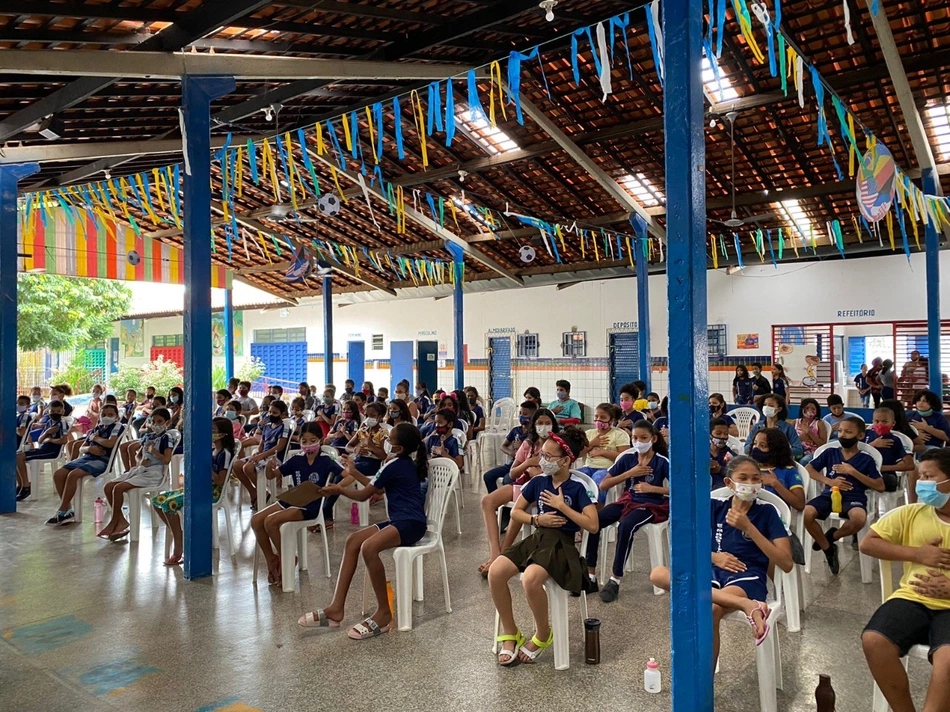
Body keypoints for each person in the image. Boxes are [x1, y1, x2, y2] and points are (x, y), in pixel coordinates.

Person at [650, 456, 793, 664]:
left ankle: (705, 683)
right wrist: (714, 557)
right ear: (729, 483)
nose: (750, 484)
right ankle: (748, 605)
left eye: (755, 479)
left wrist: (749, 529)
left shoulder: (767, 512)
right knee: (658, 574)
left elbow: (786, 563)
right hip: (712, 570)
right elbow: (684, 548)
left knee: (710, 609)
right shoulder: (715, 507)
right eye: (743, 478)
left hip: (747, 575)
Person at [298, 423, 428, 639]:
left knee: (369, 547)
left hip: (411, 524)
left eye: (390, 440)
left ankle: (384, 613)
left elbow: (363, 495)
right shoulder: (402, 463)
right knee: (354, 540)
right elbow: (376, 487)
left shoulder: (395, 465)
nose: (385, 441)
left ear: (398, 448)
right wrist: (355, 472)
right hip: (402, 520)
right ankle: (336, 608)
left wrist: (339, 489)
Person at [488, 426, 598, 665]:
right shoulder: (538, 482)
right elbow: (516, 512)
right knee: (495, 572)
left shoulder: (577, 489)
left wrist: (563, 507)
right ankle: (510, 633)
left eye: (549, 457)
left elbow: (593, 525)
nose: (542, 460)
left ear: (566, 461)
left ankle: (542, 633)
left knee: (530, 578)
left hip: (562, 544)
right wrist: (537, 519)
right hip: (538, 537)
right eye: (542, 455)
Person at [860, 448, 950, 712]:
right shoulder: (913, 513)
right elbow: (869, 544)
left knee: (947, 660)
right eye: (920, 475)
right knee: (874, 641)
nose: (921, 483)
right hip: (912, 598)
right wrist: (918, 554)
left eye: (929, 476)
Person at [250, 423, 344, 585]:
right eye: (304, 441)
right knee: (256, 520)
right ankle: (272, 559)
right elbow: (272, 476)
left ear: (320, 440)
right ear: (300, 442)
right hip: (293, 499)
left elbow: (347, 475)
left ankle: (287, 559)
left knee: (271, 521)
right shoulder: (296, 459)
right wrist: (269, 468)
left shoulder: (325, 460)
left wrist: (335, 487)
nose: (308, 445)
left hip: (310, 505)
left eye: (312, 440)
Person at [586, 421, 669, 602]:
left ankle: (615, 579)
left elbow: (678, 489)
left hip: (650, 505)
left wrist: (653, 489)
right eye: (634, 438)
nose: (638, 442)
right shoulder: (627, 458)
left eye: (643, 438)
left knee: (625, 526)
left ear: (653, 439)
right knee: (594, 521)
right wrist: (629, 473)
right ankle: (590, 575)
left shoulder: (662, 461)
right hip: (627, 501)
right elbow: (604, 484)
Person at [478, 409, 559, 576]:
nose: (543, 427)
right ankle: (495, 554)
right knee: (488, 501)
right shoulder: (529, 444)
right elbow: (512, 473)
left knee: (518, 509)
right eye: (539, 423)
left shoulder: (558, 445)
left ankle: (503, 556)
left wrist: (537, 472)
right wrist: (527, 464)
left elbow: (560, 472)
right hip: (522, 483)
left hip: (544, 489)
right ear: (534, 426)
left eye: (547, 423)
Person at [804, 417, 884, 574]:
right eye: (840, 431)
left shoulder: (866, 459)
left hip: (854, 497)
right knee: (807, 513)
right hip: (830, 494)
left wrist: (853, 472)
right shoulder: (830, 452)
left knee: (859, 518)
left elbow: (880, 486)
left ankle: (832, 536)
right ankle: (828, 549)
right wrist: (829, 481)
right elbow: (809, 469)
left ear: (860, 436)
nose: (843, 435)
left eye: (848, 432)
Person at [153, 417, 235, 566]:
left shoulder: (225, 454)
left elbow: (220, 481)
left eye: (213, 431)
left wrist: (206, 465)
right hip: (199, 487)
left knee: (170, 505)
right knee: (158, 501)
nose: (210, 433)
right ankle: (179, 533)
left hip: (212, 492)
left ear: (223, 434)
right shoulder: (211, 450)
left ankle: (179, 547)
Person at [96, 408, 174, 539]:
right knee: (109, 487)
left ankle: (114, 521)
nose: (155, 425)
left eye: (159, 422)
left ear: (167, 422)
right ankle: (120, 520)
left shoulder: (167, 438)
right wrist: (140, 461)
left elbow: (167, 459)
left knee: (118, 488)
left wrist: (154, 452)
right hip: (141, 470)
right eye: (153, 421)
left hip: (155, 474)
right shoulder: (148, 437)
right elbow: (138, 455)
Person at [47, 404, 124, 512]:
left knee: (73, 475)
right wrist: (90, 449)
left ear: (117, 417)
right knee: (59, 474)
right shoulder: (97, 429)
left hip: (103, 461)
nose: (106, 417)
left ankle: (63, 509)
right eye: (103, 414)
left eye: (110, 415)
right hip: (87, 457)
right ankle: (67, 506)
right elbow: (82, 448)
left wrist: (96, 439)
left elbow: (110, 443)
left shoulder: (118, 426)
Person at [234, 401, 290, 508]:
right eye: (270, 412)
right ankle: (253, 492)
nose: (271, 415)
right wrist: (258, 453)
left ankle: (262, 492)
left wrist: (262, 455)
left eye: (275, 413)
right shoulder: (267, 427)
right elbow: (262, 443)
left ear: (282, 414)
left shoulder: (284, 428)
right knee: (236, 465)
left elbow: (279, 447)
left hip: (274, 458)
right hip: (263, 455)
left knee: (248, 468)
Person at [17, 400, 70, 506]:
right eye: (52, 411)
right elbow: (40, 440)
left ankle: (26, 486)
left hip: (52, 451)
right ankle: (22, 485)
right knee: (16, 455)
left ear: (62, 412)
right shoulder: (49, 423)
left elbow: (64, 440)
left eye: (58, 411)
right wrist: (47, 432)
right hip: (43, 448)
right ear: (48, 411)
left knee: (18, 457)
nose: (55, 413)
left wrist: (50, 440)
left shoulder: (62, 423)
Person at [482, 401, 539, 495]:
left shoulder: (534, 434)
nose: (521, 416)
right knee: (488, 476)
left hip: (524, 465)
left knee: (507, 480)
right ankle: (497, 503)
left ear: (533, 417)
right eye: (520, 413)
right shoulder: (516, 430)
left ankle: (509, 506)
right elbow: (503, 446)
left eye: (525, 414)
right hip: (513, 463)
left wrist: (521, 447)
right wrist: (511, 453)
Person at [576, 403, 630, 497]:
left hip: (608, 469)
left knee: (597, 480)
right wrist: (592, 444)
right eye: (596, 416)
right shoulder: (589, 433)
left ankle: (596, 508)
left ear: (612, 420)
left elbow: (625, 457)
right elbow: (578, 454)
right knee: (575, 478)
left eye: (603, 417)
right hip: (589, 466)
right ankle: (579, 507)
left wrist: (602, 452)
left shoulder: (619, 434)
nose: (598, 420)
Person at [749, 428, 806, 511]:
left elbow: (800, 504)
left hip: (776, 518)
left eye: (763, 446)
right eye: (755, 444)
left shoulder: (789, 471)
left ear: (776, 450)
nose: (756, 448)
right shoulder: (749, 468)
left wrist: (775, 483)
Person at [865, 406, 916, 493]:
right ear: (872, 422)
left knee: (890, 481)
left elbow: (910, 465)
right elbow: (853, 452)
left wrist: (881, 468)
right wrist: (873, 445)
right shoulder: (864, 435)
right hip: (864, 472)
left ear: (893, 423)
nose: (880, 425)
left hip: (885, 475)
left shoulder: (896, 440)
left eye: (884, 422)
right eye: (877, 421)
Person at [744, 394, 803, 459]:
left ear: (779, 409)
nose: (766, 407)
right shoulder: (757, 427)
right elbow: (746, 448)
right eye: (765, 405)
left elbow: (798, 449)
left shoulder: (788, 428)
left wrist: (777, 451)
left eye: (771, 405)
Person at [795, 397, 827, 464]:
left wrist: (810, 432)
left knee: (803, 462)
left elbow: (823, 444)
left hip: (812, 452)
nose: (810, 411)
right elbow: (788, 441)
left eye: (813, 409)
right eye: (807, 408)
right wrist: (800, 438)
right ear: (802, 409)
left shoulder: (819, 423)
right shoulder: (794, 422)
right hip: (797, 451)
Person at [710, 418, 738, 490]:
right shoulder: (701, 453)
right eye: (718, 433)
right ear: (710, 435)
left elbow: (737, 474)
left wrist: (720, 470)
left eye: (726, 434)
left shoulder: (731, 455)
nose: (722, 436)